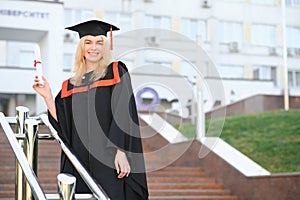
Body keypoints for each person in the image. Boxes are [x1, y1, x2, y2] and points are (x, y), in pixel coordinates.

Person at [33, 19, 148, 200]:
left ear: (105, 46)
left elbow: (123, 112)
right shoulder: (70, 85)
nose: (93, 48)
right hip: (80, 162)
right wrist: (47, 96)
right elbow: (63, 125)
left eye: (99, 43)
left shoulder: (116, 72)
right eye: (88, 42)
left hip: (110, 160)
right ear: (81, 47)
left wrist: (121, 151)